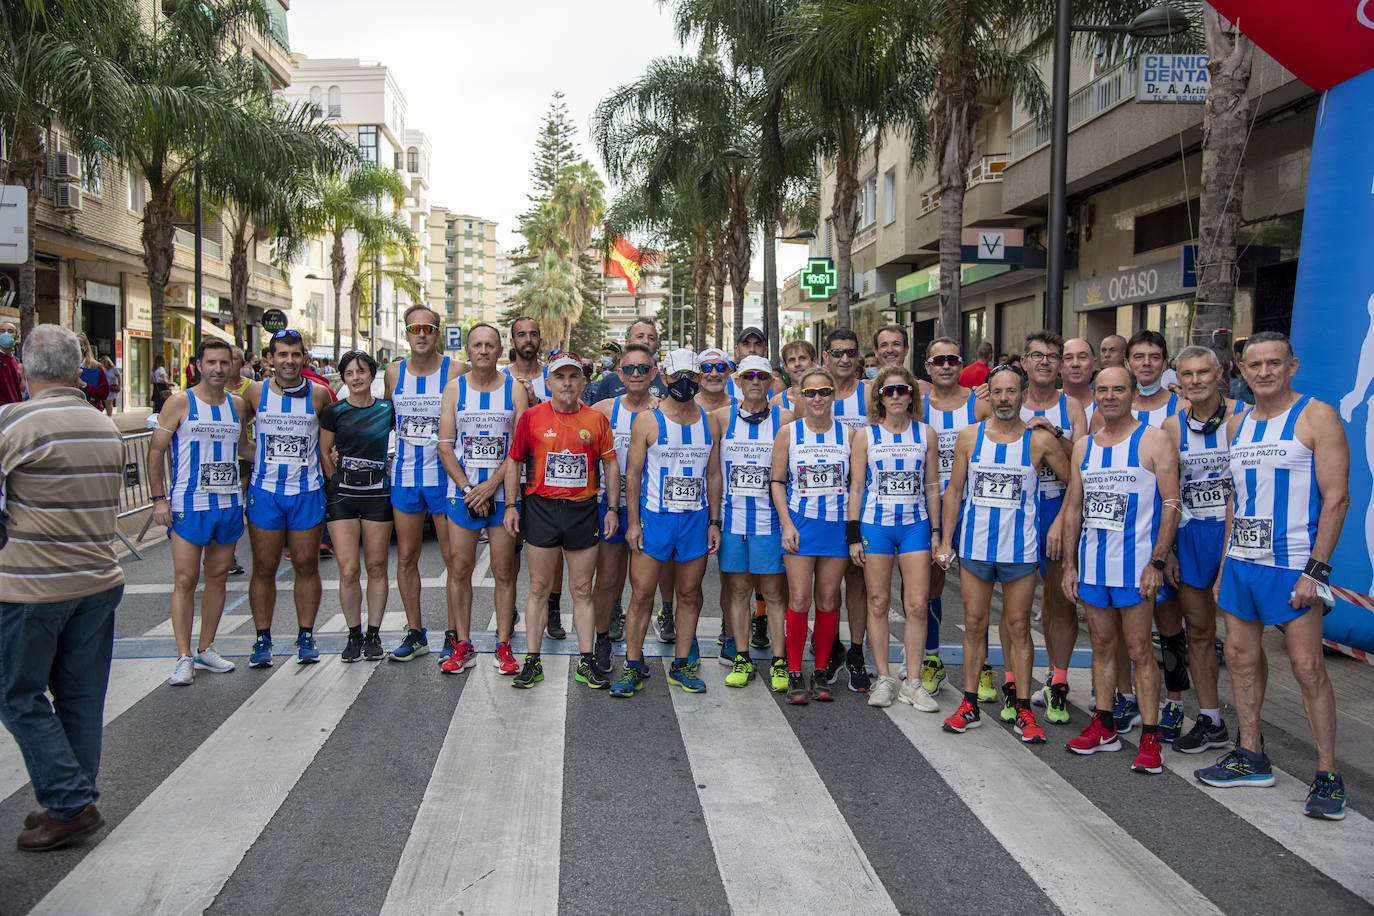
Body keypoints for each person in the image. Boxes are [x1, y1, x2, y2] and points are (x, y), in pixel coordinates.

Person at [1194, 333, 1350, 820]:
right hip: (1242, 562)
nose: (1264, 372)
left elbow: (1337, 500)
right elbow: (1234, 501)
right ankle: (1251, 753)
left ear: (1292, 366)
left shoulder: (1316, 415)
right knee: (1240, 659)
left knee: (1307, 669)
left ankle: (1327, 773)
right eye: (1255, 364)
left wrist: (1316, 573)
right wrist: (1223, 567)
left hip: (1293, 564)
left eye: (1274, 363)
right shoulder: (1237, 422)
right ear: (1242, 369)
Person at [0, 324, 124, 852]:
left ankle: (70, 801)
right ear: (78, 369)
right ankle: (68, 799)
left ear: (25, 369)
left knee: (18, 693)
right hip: (98, 579)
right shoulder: (104, 427)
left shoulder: (15, 423)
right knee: (80, 696)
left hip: (33, 586)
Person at [936, 365, 1067, 743]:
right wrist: (946, 541)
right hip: (976, 547)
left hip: (1020, 550)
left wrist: (1057, 524)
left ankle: (1024, 710)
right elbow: (954, 491)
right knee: (975, 624)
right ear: (988, 396)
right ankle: (970, 704)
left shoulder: (1038, 441)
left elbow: (1073, 482)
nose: (1005, 399)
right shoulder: (969, 437)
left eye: (1012, 392)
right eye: (998, 392)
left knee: (1018, 627)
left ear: (1023, 395)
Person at [1061, 366, 1181, 775]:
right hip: (1094, 567)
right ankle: (1105, 724)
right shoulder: (1083, 446)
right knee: (1101, 646)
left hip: (1136, 569)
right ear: (1094, 394)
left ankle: (1150, 736)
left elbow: (1171, 503)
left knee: (1139, 650)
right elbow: (1075, 508)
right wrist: (1070, 564)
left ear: (1133, 393)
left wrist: (1157, 562)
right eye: (1104, 390)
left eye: (1119, 389)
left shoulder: (1154, 440)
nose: (1110, 396)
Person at [506, 351, 619, 689]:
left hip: (583, 512)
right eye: (560, 377)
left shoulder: (596, 420)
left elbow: (611, 464)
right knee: (539, 587)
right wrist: (511, 505)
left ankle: (586, 662)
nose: (567, 383)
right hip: (541, 508)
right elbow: (514, 461)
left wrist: (612, 508)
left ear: (584, 381)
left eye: (573, 376)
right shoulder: (532, 418)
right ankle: (532, 661)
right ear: (549, 382)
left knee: (582, 589)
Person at [613, 348, 717, 697]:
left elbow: (714, 474)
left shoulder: (709, 420)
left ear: (699, 377)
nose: (683, 383)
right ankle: (631, 664)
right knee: (641, 593)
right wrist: (633, 523)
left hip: (694, 520)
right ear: (664, 377)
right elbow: (634, 475)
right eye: (676, 377)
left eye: (690, 377)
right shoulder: (647, 420)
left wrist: (714, 521)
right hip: (655, 519)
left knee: (690, 594)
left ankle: (682, 664)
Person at [147, 339, 248, 686]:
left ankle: (206, 648)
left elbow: (246, 446)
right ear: (199, 365)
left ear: (233, 365)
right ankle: (183, 656)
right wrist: (159, 498)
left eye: (225, 362)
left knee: (218, 578)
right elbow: (156, 450)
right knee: (185, 579)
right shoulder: (179, 401)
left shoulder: (237, 405)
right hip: (189, 504)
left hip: (229, 504)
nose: (219, 369)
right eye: (212, 363)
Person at [848, 366, 942, 709]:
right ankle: (885, 678)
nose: (897, 396)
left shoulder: (926, 433)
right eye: (889, 391)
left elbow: (932, 486)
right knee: (878, 602)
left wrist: (936, 531)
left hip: (915, 525)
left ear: (912, 395)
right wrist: (853, 535)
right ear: (880, 398)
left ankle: (913, 682)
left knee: (917, 604)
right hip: (876, 525)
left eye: (903, 390)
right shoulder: (865, 436)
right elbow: (856, 487)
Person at [437, 323, 526, 675]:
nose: (484, 351)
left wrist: (490, 487)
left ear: (501, 351)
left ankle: (503, 644)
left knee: (504, 571)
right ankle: (462, 644)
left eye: (490, 345)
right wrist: (468, 489)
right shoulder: (454, 389)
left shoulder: (514, 390)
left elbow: (518, 449)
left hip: (502, 493)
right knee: (460, 569)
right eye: (477, 345)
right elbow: (445, 446)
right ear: (468, 351)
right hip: (462, 493)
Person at [1160, 345, 1237, 750]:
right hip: (1190, 537)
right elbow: (1167, 494)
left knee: (1243, 641)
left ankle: (1251, 734)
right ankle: (1210, 718)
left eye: (1202, 373)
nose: (1195, 381)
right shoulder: (1173, 427)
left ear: (1219, 372)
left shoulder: (1242, 418)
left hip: (1234, 537)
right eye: (1187, 375)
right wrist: (1168, 550)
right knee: (1200, 633)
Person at [243, 329, 332, 667]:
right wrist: (256, 455)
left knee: (306, 566)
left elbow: (330, 440)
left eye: (295, 354)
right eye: (282, 354)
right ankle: (262, 638)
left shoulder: (320, 395)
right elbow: (235, 434)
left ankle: (305, 635)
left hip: (306, 492)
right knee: (264, 567)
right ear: (270, 359)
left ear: (304, 358)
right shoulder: (255, 392)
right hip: (265, 493)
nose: (289, 360)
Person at [384, 305, 466, 662]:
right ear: (405, 333)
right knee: (406, 556)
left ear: (437, 333)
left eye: (428, 329)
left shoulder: (456, 370)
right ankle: (415, 631)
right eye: (414, 328)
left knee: (453, 559)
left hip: (444, 478)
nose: (421, 334)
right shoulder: (393, 372)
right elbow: (385, 419)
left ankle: (452, 632)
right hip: (404, 475)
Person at [706, 355, 789, 691]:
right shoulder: (720, 419)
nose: (756, 381)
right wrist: (714, 520)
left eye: (762, 376)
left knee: (773, 593)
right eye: (749, 376)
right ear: (737, 381)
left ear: (770, 382)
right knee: (738, 590)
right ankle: (742, 655)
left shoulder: (787, 419)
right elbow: (713, 473)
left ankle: (780, 661)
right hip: (733, 519)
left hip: (771, 521)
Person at [770, 367, 851, 704]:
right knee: (800, 599)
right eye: (810, 393)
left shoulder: (850, 435)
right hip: (800, 526)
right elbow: (776, 481)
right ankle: (793, 672)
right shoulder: (789, 433)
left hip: (836, 527)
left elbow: (857, 485)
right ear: (800, 396)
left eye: (824, 391)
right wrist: (787, 524)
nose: (817, 398)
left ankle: (820, 672)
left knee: (829, 599)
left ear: (833, 395)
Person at [1020, 330, 1088, 726]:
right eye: (1037, 355)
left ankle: (1058, 681)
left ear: (1061, 364)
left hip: (1058, 507)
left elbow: (1082, 465)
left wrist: (1054, 432)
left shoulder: (1073, 406)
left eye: (1052, 356)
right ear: (1025, 362)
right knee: (1017, 601)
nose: (1045, 362)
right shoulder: (1007, 396)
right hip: (1018, 509)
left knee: (1061, 599)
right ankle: (1013, 680)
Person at [921, 338, 991, 701]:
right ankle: (931, 660)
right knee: (931, 585)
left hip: (975, 507)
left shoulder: (980, 403)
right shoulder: (918, 405)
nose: (946, 366)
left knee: (977, 594)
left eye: (952, 359)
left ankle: (983, 667)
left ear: (961, 364)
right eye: (939, 360)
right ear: (928, 367)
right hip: (933, 506)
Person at [319, 349, 394, 663]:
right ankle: (354, 634)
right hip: (343, 498)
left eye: (362, 372)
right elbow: (324, 452)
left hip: (378, 496)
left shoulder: (387, 409)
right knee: (348, 569)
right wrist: (337, 480)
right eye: (350, 373)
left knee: (376, 567)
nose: (356, 378)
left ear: (372, 376)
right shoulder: (334, 412)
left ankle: (374, 634)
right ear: (344, 378)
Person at [591, 344, 659, 671]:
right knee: (605, 579)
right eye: (629, 368)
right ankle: (601, 639)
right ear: (619, 372)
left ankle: (636, 649)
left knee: (642, 586)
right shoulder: (603, 410)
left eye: (642, 369)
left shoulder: (663, 410)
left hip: (650, 509)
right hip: (611, 505)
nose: (635, 374)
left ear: (654, 373)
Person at [823, 328, 872, 691]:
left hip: (866, 502)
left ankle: (856, 650)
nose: (844, 359)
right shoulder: (811, 392)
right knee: (823, 585)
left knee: (857, 581)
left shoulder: (872, 395)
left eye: (850, 353)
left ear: (859, 357)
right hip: (821, 504)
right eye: (837, 352)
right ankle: (828, 646)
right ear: (826, 355)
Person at [586, 317, 670, 404]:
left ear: (657, 346)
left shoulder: (667, 382)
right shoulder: (610, 381)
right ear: (627, 343)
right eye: (640, 336)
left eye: (651, 338)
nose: (646, 341)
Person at [772, 339, 816, 412]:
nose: (797, 364)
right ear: (785, 367)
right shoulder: (777, 403)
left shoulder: (828, 397)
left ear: (814, 362)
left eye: (802, 358)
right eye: (792, 360)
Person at [1062, 337, 1097, 422]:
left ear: (1094, 364)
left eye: (1082, 357)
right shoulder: (1046, 404)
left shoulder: (1107, 403)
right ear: (1059, 365)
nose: (1075, 364)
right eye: (1068, 358)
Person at [77, 334, 109, 412]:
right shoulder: (65, 366)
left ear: (85, 347)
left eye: (78, 345)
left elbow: (104, 393)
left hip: (91, 410)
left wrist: (84, 385)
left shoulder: (95, 367)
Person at [696, 346, 734, 412]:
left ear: (728, 372)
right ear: (699, 373)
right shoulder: (688, 406)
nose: (714, 374)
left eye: (720, 367)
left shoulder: (739, 407)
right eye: (707, 368)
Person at [0, 319, 26, 404]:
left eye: (10, 331)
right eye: (2, 331)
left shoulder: (16, 362)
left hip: (14, 409)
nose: (6, 334)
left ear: (17, 337)